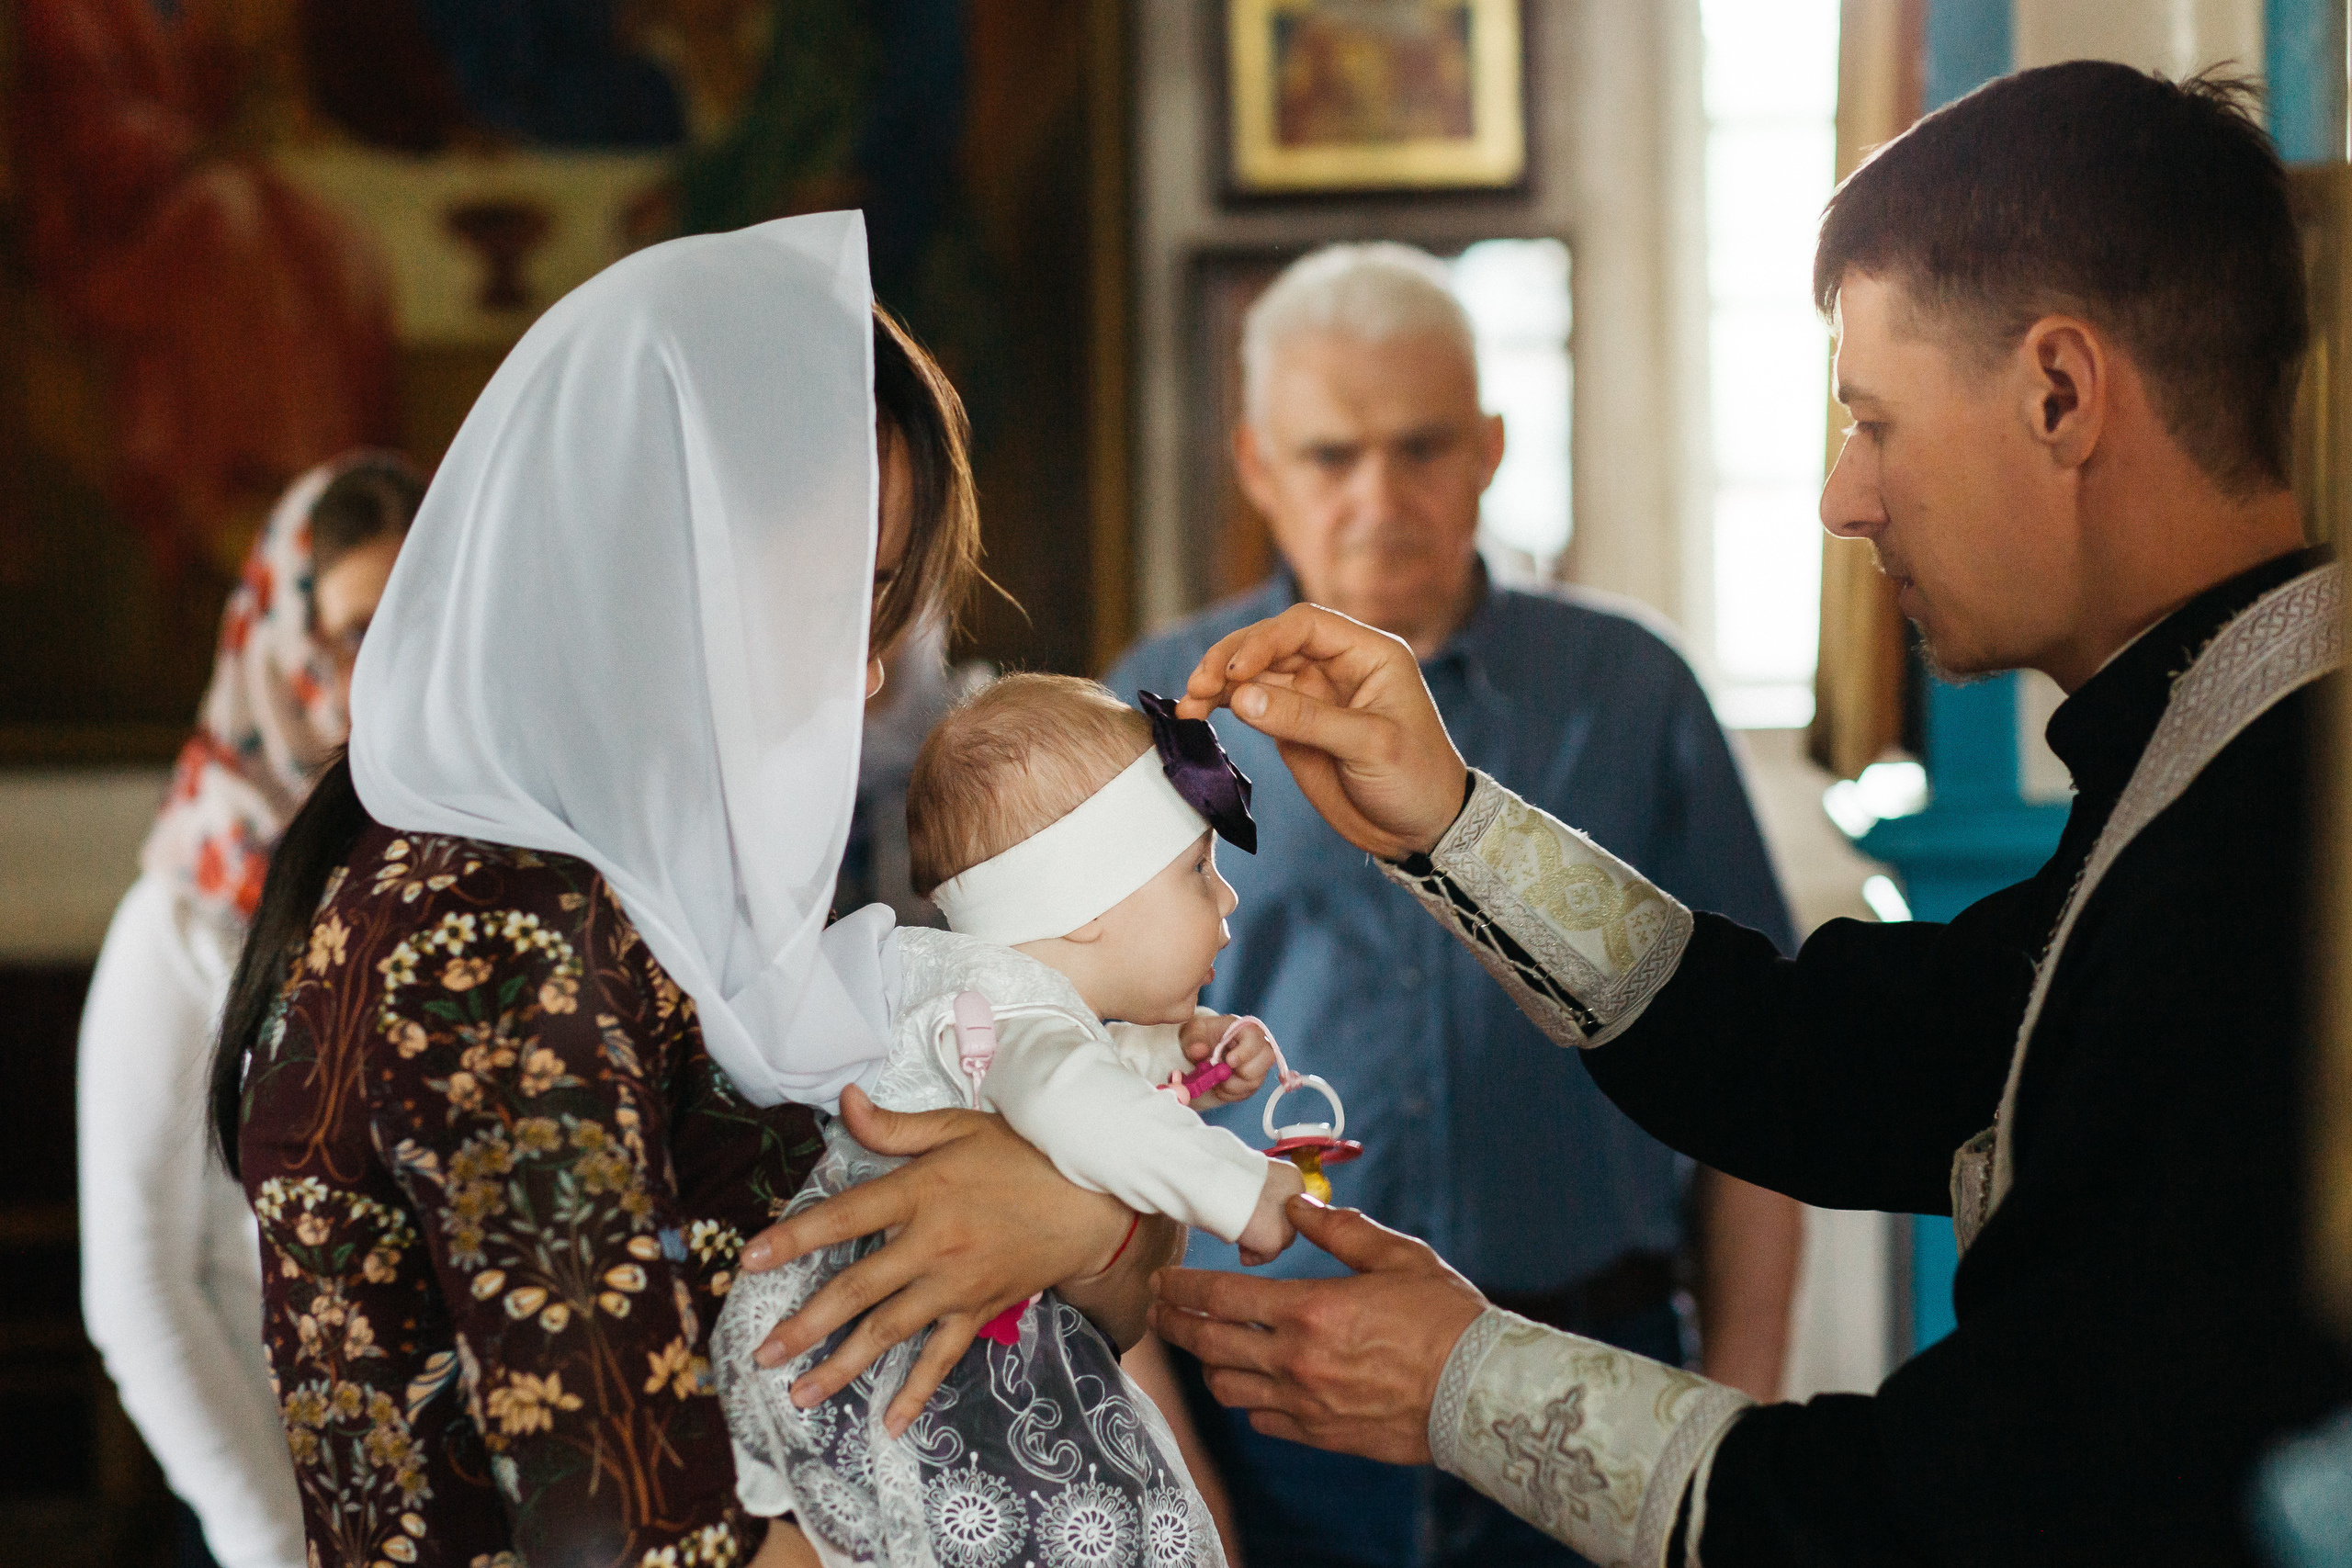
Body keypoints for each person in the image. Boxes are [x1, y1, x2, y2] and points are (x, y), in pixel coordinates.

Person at [1148, 64, 2352, 1567]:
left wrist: (1462, 1378)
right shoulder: (2228, 743)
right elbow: (1844, 1058)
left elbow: (2004, 1499)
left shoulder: (2285, 848)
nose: (1848, 498)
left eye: (1877, 420)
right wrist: (1446, 825)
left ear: (2060, 391)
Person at [207, 212, 1159, 1567]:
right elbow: (640, 1533)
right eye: (837, 596)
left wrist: (1076, 1208)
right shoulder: (483, 930)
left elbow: (1043, 1297)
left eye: (881, 603)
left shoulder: (645, 892)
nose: (870, 676)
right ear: (645, 558)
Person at [1109, 242, 1803, 1565]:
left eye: (1423, 445)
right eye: (1331, 455)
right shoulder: (1160, 711)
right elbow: (1086, 1103)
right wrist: (1174, 1483)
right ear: (1259, 463)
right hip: (1269, 1399)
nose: (1380, 493)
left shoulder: (1631, 687)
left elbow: (1763, 1079)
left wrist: (1740, 1422)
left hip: (1595, 1378)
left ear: (1489, 447)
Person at [717, 673, 1328, 1566]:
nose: (1227, 898)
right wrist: (1247, 1191)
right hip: (913, 1363)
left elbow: (1067, 1085)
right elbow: (1073, 1108)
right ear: (1087, 908)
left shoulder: (987, 1000)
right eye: (1198, 869)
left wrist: (1172, 1064)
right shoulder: (1017, 1024)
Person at [77, 453, 422, 1568]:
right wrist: (270, 1534)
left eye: (422, 613)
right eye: (363, 627)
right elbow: (136, 1282)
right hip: (278, 1500)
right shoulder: (182, 921)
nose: (395, 661)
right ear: (290, 647)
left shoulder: (467, 875)